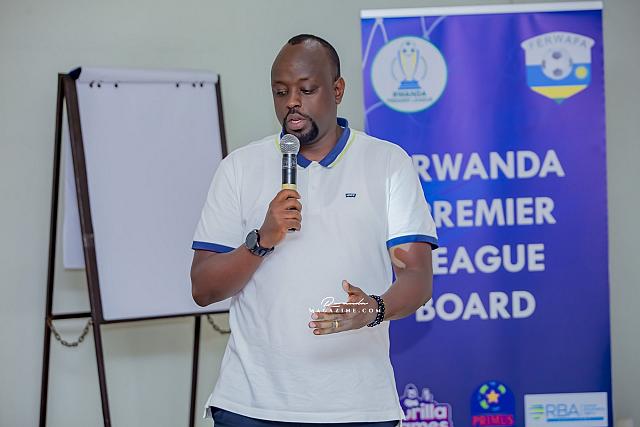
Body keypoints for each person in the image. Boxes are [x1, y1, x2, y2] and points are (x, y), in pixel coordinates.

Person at [190, 34, 438, 427]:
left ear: (337, 90)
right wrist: (261, 241)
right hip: (252, 406)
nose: (292, 102)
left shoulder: (387, 163)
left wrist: (373, 309)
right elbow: (204, 288)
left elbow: (417, 277)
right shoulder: (239, 167)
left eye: (306, 90)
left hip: (358, 407)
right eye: (280, 92)